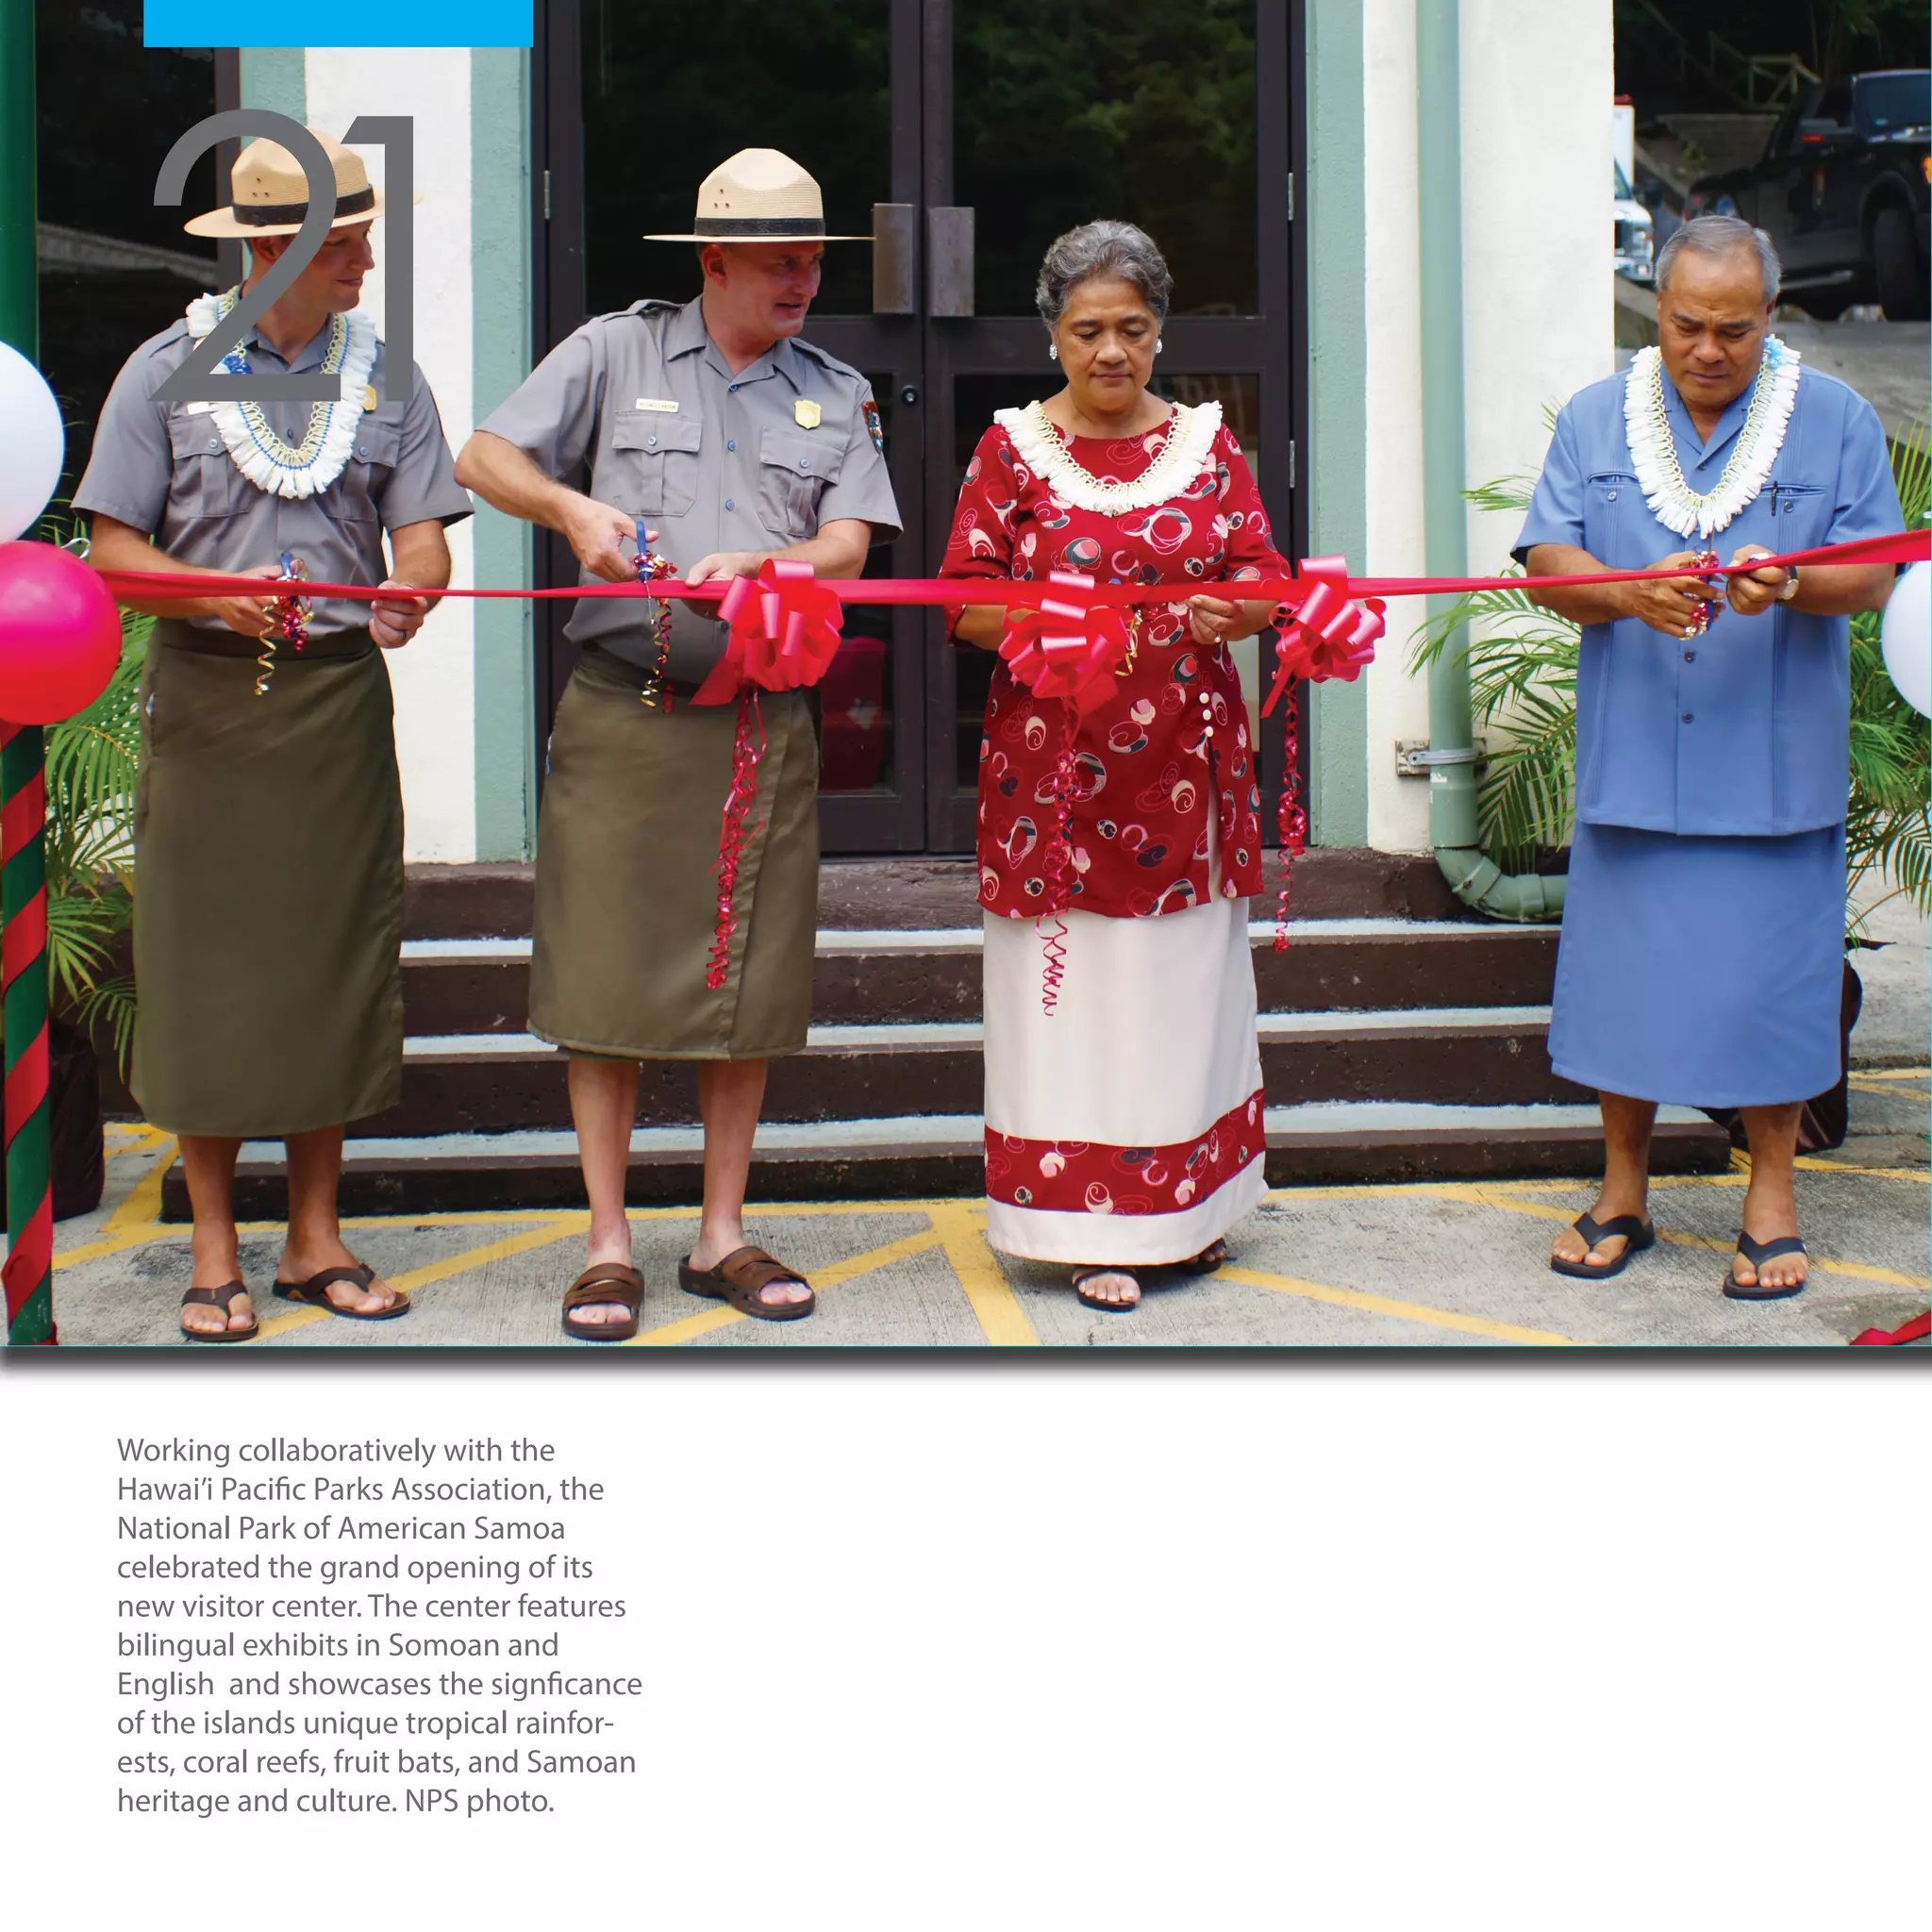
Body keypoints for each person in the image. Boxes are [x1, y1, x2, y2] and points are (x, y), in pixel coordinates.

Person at [456, 149, 901, 1340]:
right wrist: (569, 508)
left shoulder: (833, 387)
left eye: (812, 261)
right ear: (713, 262)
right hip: (623, 709)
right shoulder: (616, 350)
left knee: (742, 978)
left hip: (759, 719)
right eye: (779, 262)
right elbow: (482, 457)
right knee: (600, 974)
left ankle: (720, 1231)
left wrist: (770, 560)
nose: (802, 280)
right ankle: (606, 1241)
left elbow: (851, 543)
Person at [77, 129, 472, 1341]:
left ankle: (314, 1237)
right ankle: (212, 1247)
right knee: (205, 968)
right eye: (343, 243)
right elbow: (113, 552)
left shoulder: (387, 377)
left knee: (326, 961)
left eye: (363, 238)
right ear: (270, 251)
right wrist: (211, 593)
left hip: (334, 703)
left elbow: (421, 533)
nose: (364, 261)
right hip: (207, 706)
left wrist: (412, 586)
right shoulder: (163, 370)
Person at [1517, 214, 1901, 1300]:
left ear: (1769, 317)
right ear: (1658, 307)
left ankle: (1769, 1196)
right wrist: (1620, 590)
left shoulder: (1833, 419)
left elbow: (1873, 571)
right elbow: (1545, 558)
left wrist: (1792, 582)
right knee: (1623, 990)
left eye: (1732, 329)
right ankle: (1620, 1190)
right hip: (1633, 761)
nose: (1705, 348)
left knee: (1768, 992)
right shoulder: (1595, 416)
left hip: (1770, 772)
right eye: (1685, 323)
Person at [941, 221, 1284, 1312]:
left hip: (1186, 764)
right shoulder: (1010, 451)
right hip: (1051, 777)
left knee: (1181, 988)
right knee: (1074, 996)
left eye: (1131, 328)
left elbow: (1262, 573)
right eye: (1087, 329)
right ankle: (1086, 1222)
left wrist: (1237, 607)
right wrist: (1048, 626)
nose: (1110, 351)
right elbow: (961, 600)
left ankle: (1188, 1210)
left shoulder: (1207, 446)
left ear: (1158, 331)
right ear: (1051, 335)